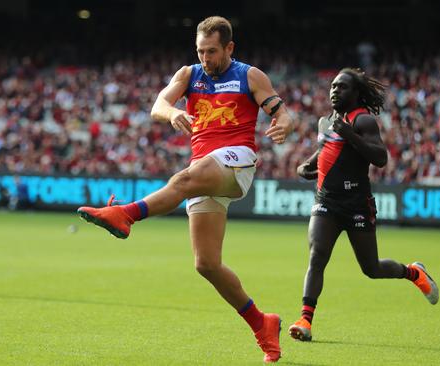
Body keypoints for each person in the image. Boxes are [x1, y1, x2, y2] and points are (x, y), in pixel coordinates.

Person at [77, 16, 293, 363]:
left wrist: (282, 125)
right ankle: (262, 324)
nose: (205, 58)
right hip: (206, 169)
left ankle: (125, 215)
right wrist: (171, 113)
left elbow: (283, 114)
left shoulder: (249, 75)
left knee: (182, 179)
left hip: (237, 159)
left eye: (212, 51)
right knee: (206, 264)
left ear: (229, 48)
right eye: (200, 51)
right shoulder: (189, 74)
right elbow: (158, 105)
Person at [290, 68, 439, 342]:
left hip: (357, 205)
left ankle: (413, 273)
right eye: (333, 86)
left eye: (342, 87)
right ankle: (305, 320)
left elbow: (380, 158)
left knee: (371, 269)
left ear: (356, 93)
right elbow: (321, 155)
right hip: (327, 202)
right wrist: (305, 167)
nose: (335, 90)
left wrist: (350, 134)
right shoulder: (332, 121)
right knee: (317, 255)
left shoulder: (363, 121)